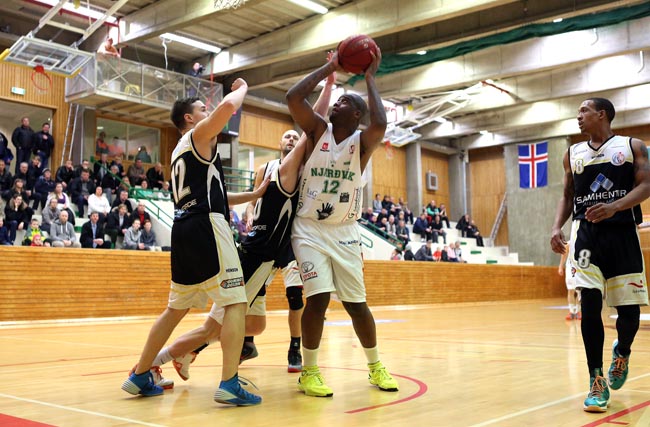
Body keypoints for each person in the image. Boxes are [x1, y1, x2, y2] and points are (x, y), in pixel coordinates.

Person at [121, 78, 264, 406]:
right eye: (202, 108)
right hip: (207, 227)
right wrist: (243, 88)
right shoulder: (198, 135)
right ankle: (229, 384)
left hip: (184, 227)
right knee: (235, 303)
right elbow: (227, 107)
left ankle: (140, 374)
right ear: (189, 118)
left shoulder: (179, 152)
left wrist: (254, 194)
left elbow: (216, 195)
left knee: (175, 309)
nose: (207, 111)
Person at [286, 47, 398, 397]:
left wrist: (369, 78)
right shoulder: (317, 131)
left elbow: (381, 124)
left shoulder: (361, 144)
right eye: (337, 101)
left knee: (356, 305)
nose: (336, 104)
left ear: (358, 114)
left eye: (345, 102)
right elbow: (293, 98)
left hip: (346, 231)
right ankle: (309, 371)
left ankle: (375, 366)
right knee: (317, 299)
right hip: (308, 229)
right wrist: (329, 69)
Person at [550, 97, 650, 413]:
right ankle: (596, 379)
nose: (578, 116)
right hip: (586, 235)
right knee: (590, 304)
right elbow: (568, 194)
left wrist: (615, 207)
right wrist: (556, 226)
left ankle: (622, 352)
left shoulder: (632, 146)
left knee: (628, 312)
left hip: (622, 233)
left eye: (584, 111)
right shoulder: (572, 153)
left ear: (602, 114)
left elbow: (647, 185)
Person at [558, 242, 581, 320]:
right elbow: (564, 254)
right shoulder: (569, 243)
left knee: (579, 291)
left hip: (580, 269)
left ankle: (578, 311)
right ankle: (571, 311)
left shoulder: (583, 241)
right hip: (570, 269)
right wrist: (560, 266)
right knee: (570, 290)